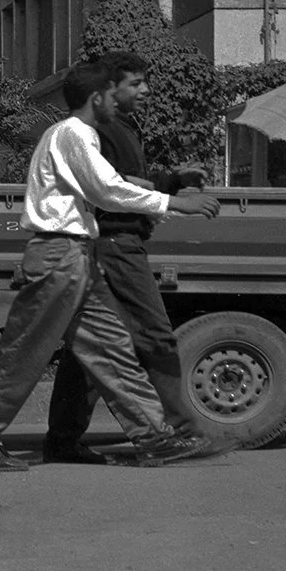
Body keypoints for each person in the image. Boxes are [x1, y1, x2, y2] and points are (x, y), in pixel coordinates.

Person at [0, 60, 226, 474]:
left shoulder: (76, 136)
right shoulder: (74, 134)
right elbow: (106, 189)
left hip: (77, 255)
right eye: (114, 94)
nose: (119, 102)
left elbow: (108, 184)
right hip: (57, 257)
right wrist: (174, 202)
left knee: (111, 347)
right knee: (26, 349)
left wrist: (158, 188)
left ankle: (154, 437)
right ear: (96, 97)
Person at [45, 49, 210, 463]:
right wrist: (173, 199)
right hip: (114, 245)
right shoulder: (91, 132)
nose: (146, 91)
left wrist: (170, 179)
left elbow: (127, 180)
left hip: (115, 245)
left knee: (92, 346)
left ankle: (63, 440)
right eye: (135, 83)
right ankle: (176, 431)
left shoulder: (115, 129)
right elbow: (112, 187)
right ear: (107, 89)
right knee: (153, 335)